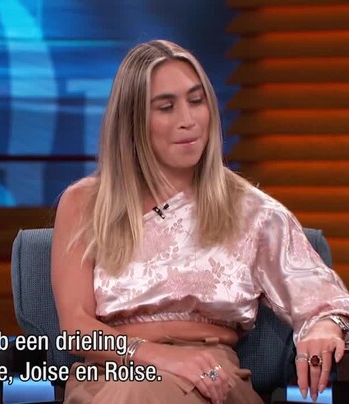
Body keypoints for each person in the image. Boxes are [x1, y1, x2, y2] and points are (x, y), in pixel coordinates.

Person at [52, 39, 349, 404]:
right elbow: (76, 328)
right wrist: (164, 358)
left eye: (196, 101)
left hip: (211, 377)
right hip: (110, 374)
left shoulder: (251, 210)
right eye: (166, 107)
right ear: (132, 120)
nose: (188, 120)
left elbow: (323, 301)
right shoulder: (85, 203)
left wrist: (324, 328)